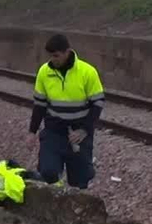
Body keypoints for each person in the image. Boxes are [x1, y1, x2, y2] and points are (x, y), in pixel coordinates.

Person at [27, 33, 105, 189]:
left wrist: (84, 130)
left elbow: (97, 104)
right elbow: (39, 105)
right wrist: (32, 132)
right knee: (48, 172)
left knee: (80, 179)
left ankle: (77, 198)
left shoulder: (87, 72)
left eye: (56, 56)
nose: (53, 60)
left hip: (78, 134)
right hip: (53, 131)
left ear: (67, 52)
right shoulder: (44, 72)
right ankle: (53, 196)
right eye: (50, 56)